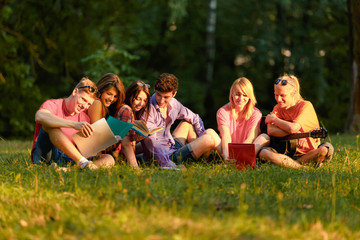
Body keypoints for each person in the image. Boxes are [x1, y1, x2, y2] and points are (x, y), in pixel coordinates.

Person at [31, 77, 115, 169]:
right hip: (46, 155)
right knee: (51, 126)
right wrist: (74, 125)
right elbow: (39, 116)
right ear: (75, 92)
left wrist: (101, 142)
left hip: (67, 158)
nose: (84, 106)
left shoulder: (84, 118)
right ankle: (84, 164)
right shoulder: (53, 104)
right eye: (83, 99)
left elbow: (88, 149)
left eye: (89, 104)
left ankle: (68, 170)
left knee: (109, 159)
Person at [141, 73, 221, 167]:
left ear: (174, 94)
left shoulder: (174, 104)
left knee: (188, 124)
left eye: (166, 97)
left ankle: (203, 155)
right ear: (154, 90)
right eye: (159, 95)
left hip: (171, 146)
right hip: (165, 157)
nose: (161, 100)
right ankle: (227, 160)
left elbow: (195, 118)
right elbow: (152, 143)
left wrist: (200, 137)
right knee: (209, 138)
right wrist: (169, 164)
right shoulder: (148, 110)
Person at [258, 73, 334, 169]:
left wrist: (275, 119)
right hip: (285, 153)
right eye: (276, 95)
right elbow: (271, 131)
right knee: (263, 152)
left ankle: (289, 164)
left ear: (294, 93)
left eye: (282, 95)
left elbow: (293, 128)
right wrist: (290, 130)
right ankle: (300, 166)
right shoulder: (277, 108)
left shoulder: (306, 106)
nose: (278, 99)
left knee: (325, 149)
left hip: (307, 154)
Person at [216, 77, 262, 160]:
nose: (241, 99)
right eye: (237, 94)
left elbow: (251, 137)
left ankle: (243, 158)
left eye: (245, 95)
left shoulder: (256, 113)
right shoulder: (222, 111)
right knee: (210, 133)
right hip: (226, 150)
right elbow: (226, 136)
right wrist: (227, 158)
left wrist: (239, 153)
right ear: (232, 94)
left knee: (264, 137)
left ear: (250, 97)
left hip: (245, 150)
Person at [113, 80, 151, 168]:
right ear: (130, 95)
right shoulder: (126, 110)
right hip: (118, 158)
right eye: (138, 99)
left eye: (145, 101)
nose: (141, 104)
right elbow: (125, 144)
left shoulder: (131, 111)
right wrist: (135, 169)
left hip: (122, 156)